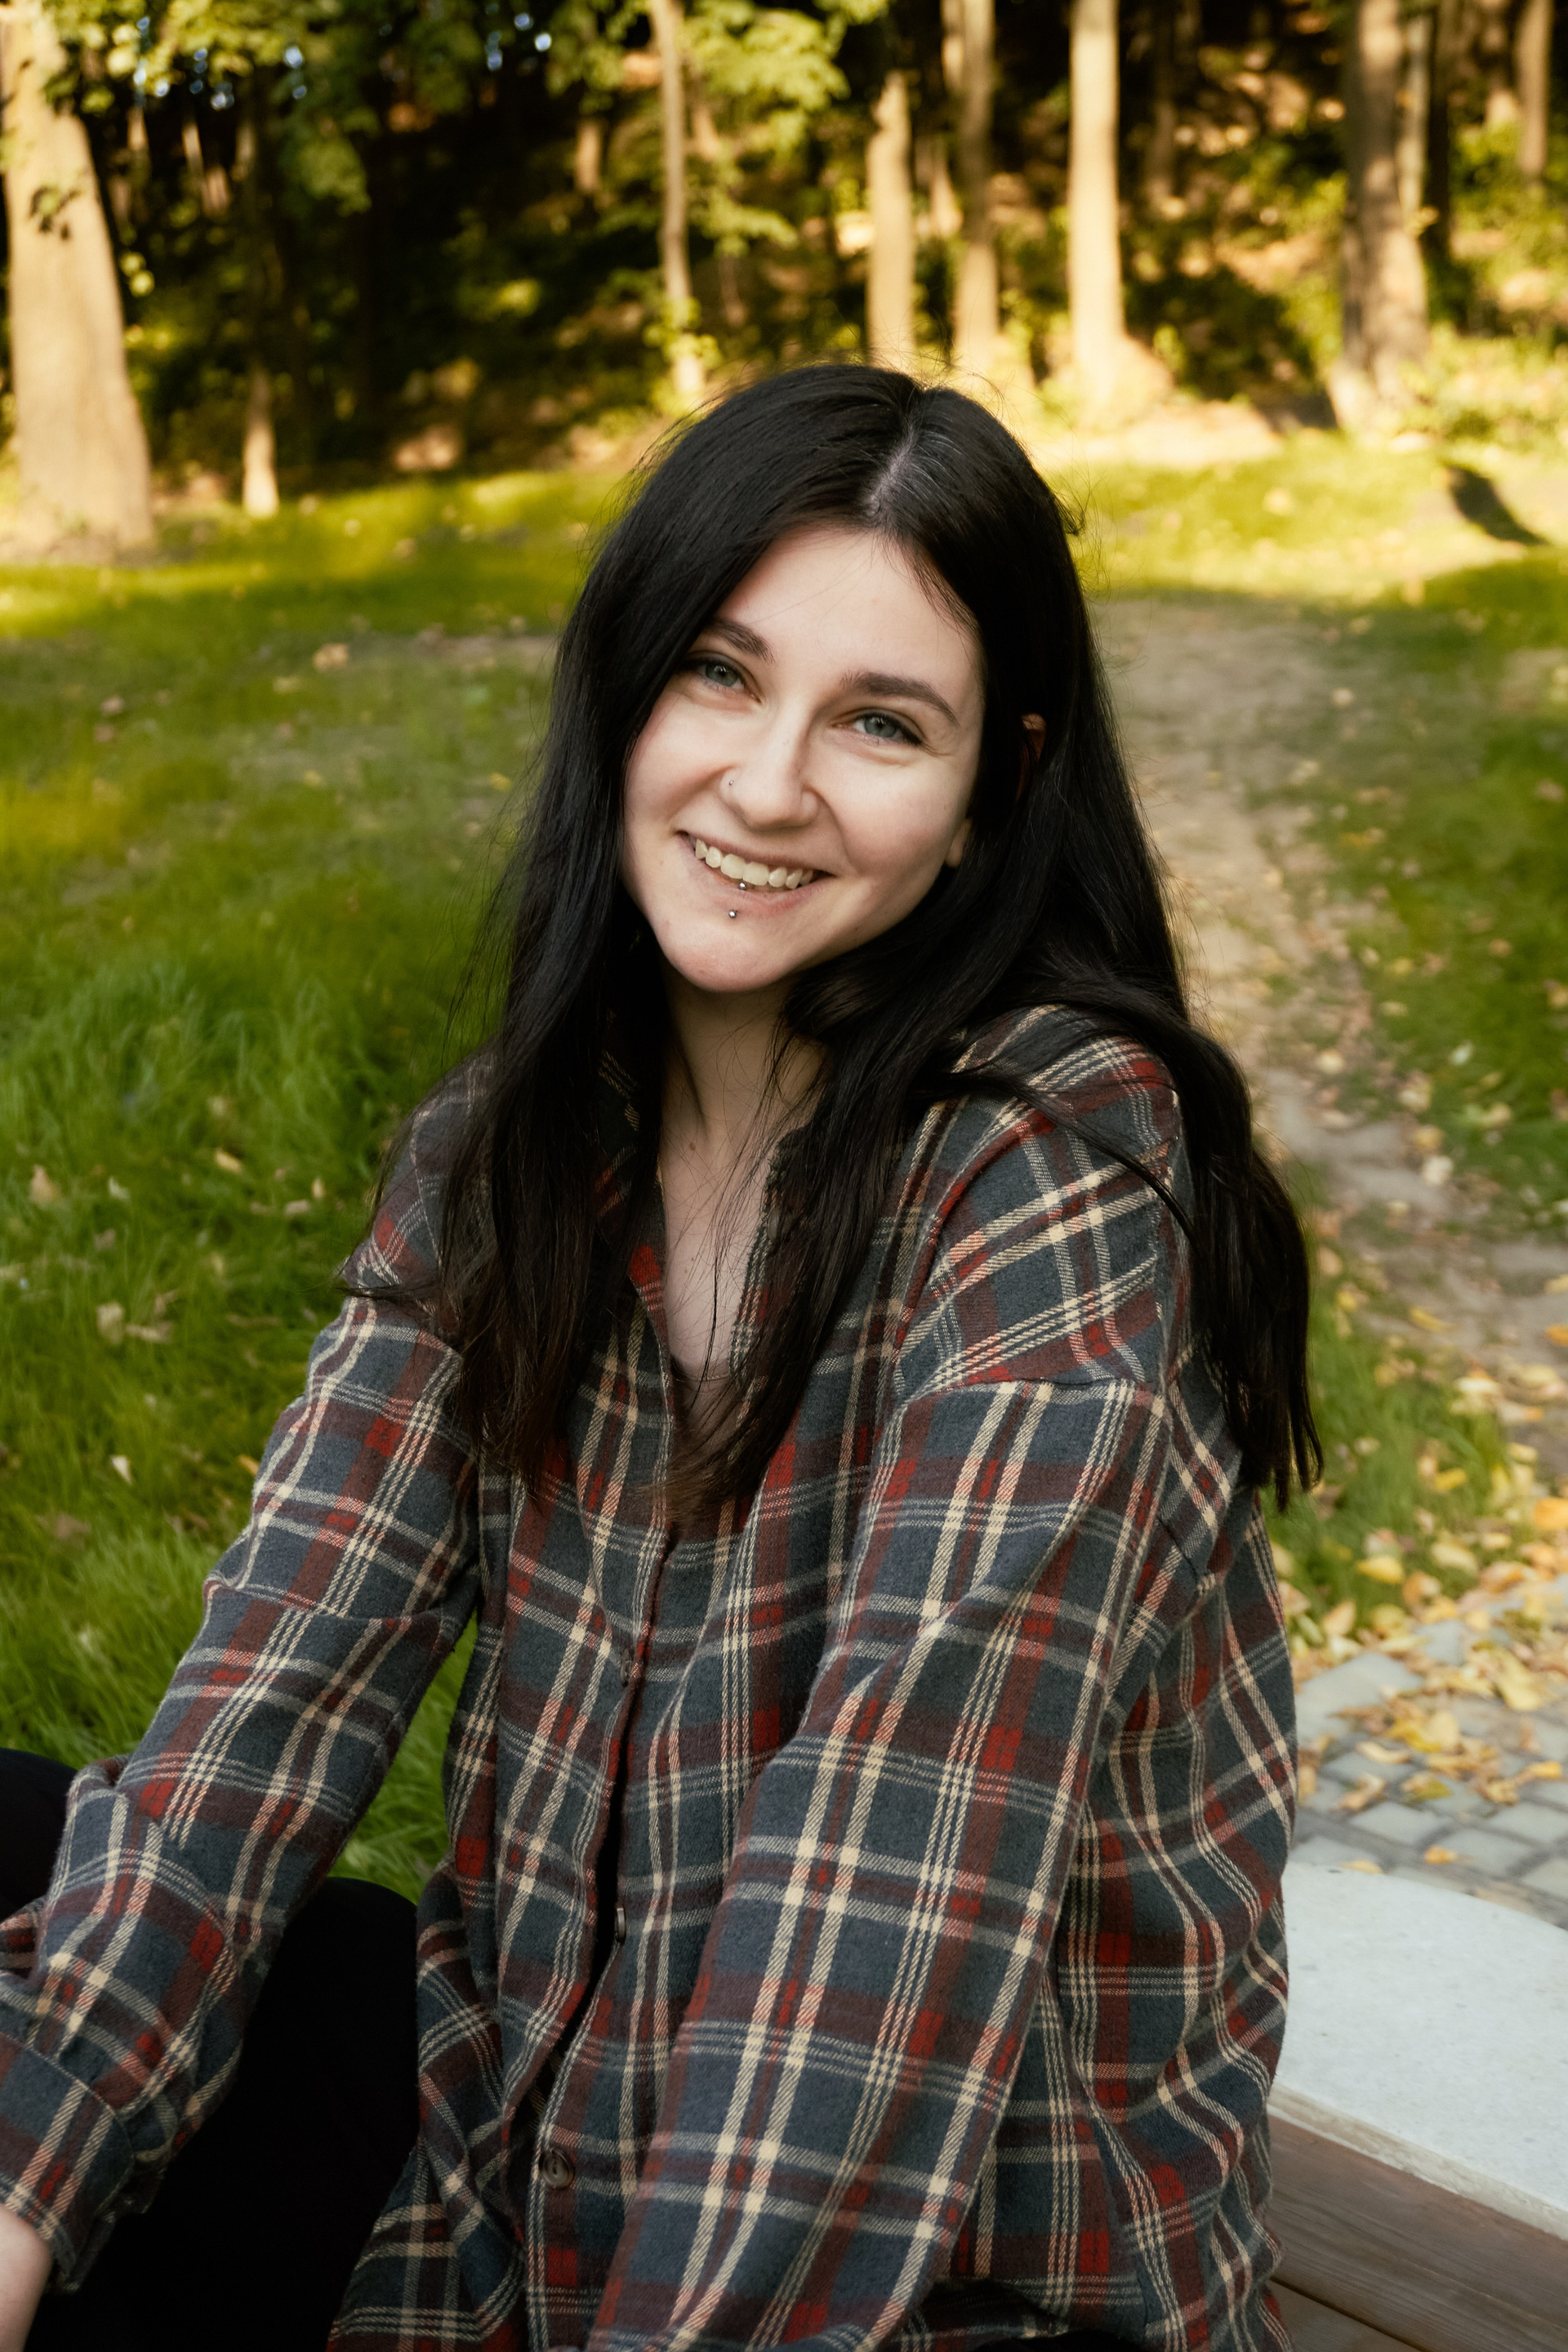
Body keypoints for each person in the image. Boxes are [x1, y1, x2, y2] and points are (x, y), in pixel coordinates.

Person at [0, 367, 1314, 2352]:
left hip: (939, 2275)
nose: (768, 786)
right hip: (533, 2174)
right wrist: (28, 2180)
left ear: (992, 790)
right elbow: (274, 1692)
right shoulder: (515, 1151)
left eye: (881, 723)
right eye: (721, 672)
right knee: (47, 1863)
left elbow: (881, 1904)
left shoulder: (1050, 1180)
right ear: (623, 688)